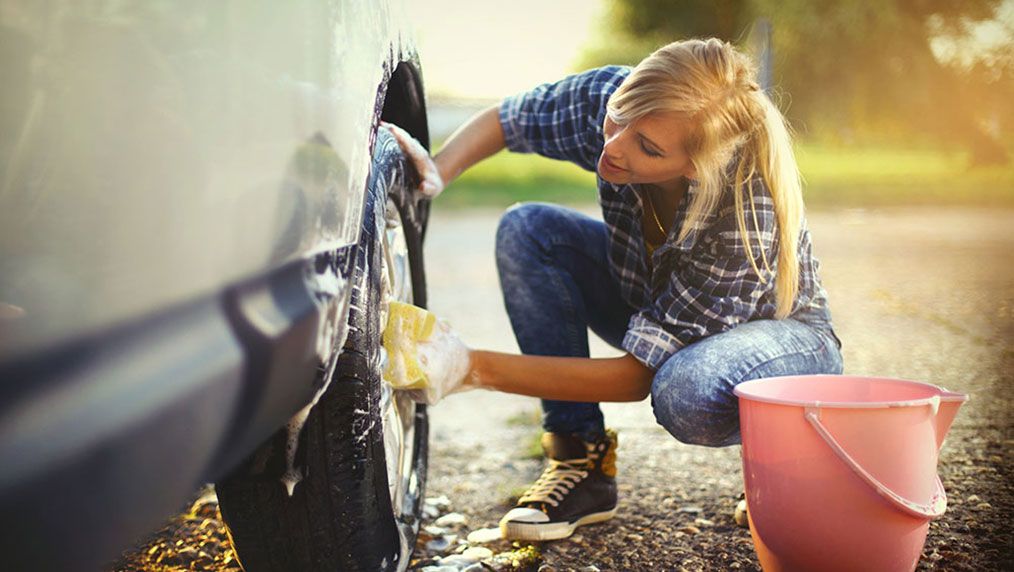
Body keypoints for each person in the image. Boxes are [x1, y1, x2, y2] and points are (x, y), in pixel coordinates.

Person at [382, 37, 844, 542]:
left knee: (683, 390)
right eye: (617, 118)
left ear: (694, 165)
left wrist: (470, 367)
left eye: (647, 147)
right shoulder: (617, 101)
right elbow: (509, 121)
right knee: (528, 230)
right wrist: (438, 171)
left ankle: (793, 451)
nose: (613, 146)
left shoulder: (744, 215)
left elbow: (634, 378)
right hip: (654, 296)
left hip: (784, 343)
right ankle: (580, 461)